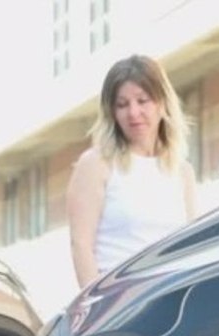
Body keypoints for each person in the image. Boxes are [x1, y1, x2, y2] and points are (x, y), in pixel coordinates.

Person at [68, 54, 197, 289]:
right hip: (118, 300)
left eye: (142, 100)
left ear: (162, 104)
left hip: (171, 295)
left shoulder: (182, 171)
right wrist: (98, 304)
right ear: (112, 112)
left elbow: (190, 247)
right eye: (122, 104)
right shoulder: (96, 164)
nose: (133, 113)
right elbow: (81, 245)